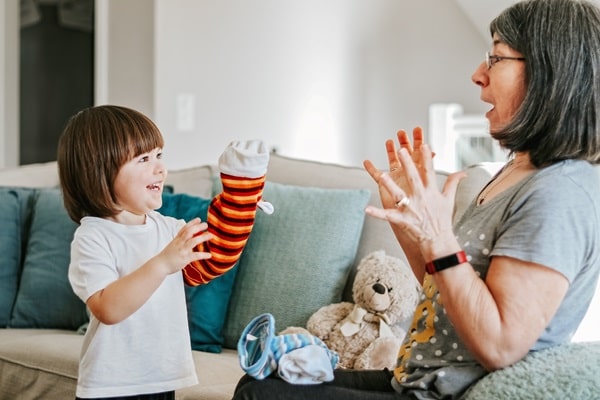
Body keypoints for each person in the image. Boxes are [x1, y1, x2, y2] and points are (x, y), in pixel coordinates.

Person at [231, 0, 600, 399]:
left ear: (551, 71)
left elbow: (501, 345)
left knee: (261, 396)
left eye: (495, 57)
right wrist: (408, 216)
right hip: (414, 382)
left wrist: (439, 235)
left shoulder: (559, 192)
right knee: (260, 382)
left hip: (442, 395)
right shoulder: (519, 172)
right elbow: (442, 286)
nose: (478, 74)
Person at [57, 105, 270, 400]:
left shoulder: (167, 228)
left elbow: (215, 256)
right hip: (111, 385)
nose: (160, 168)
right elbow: (108, 308)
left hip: (161, 378)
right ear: (98, 171)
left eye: (159, 155)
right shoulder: (93, 236)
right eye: (143, 159)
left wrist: (240, 193)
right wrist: (162, 264)